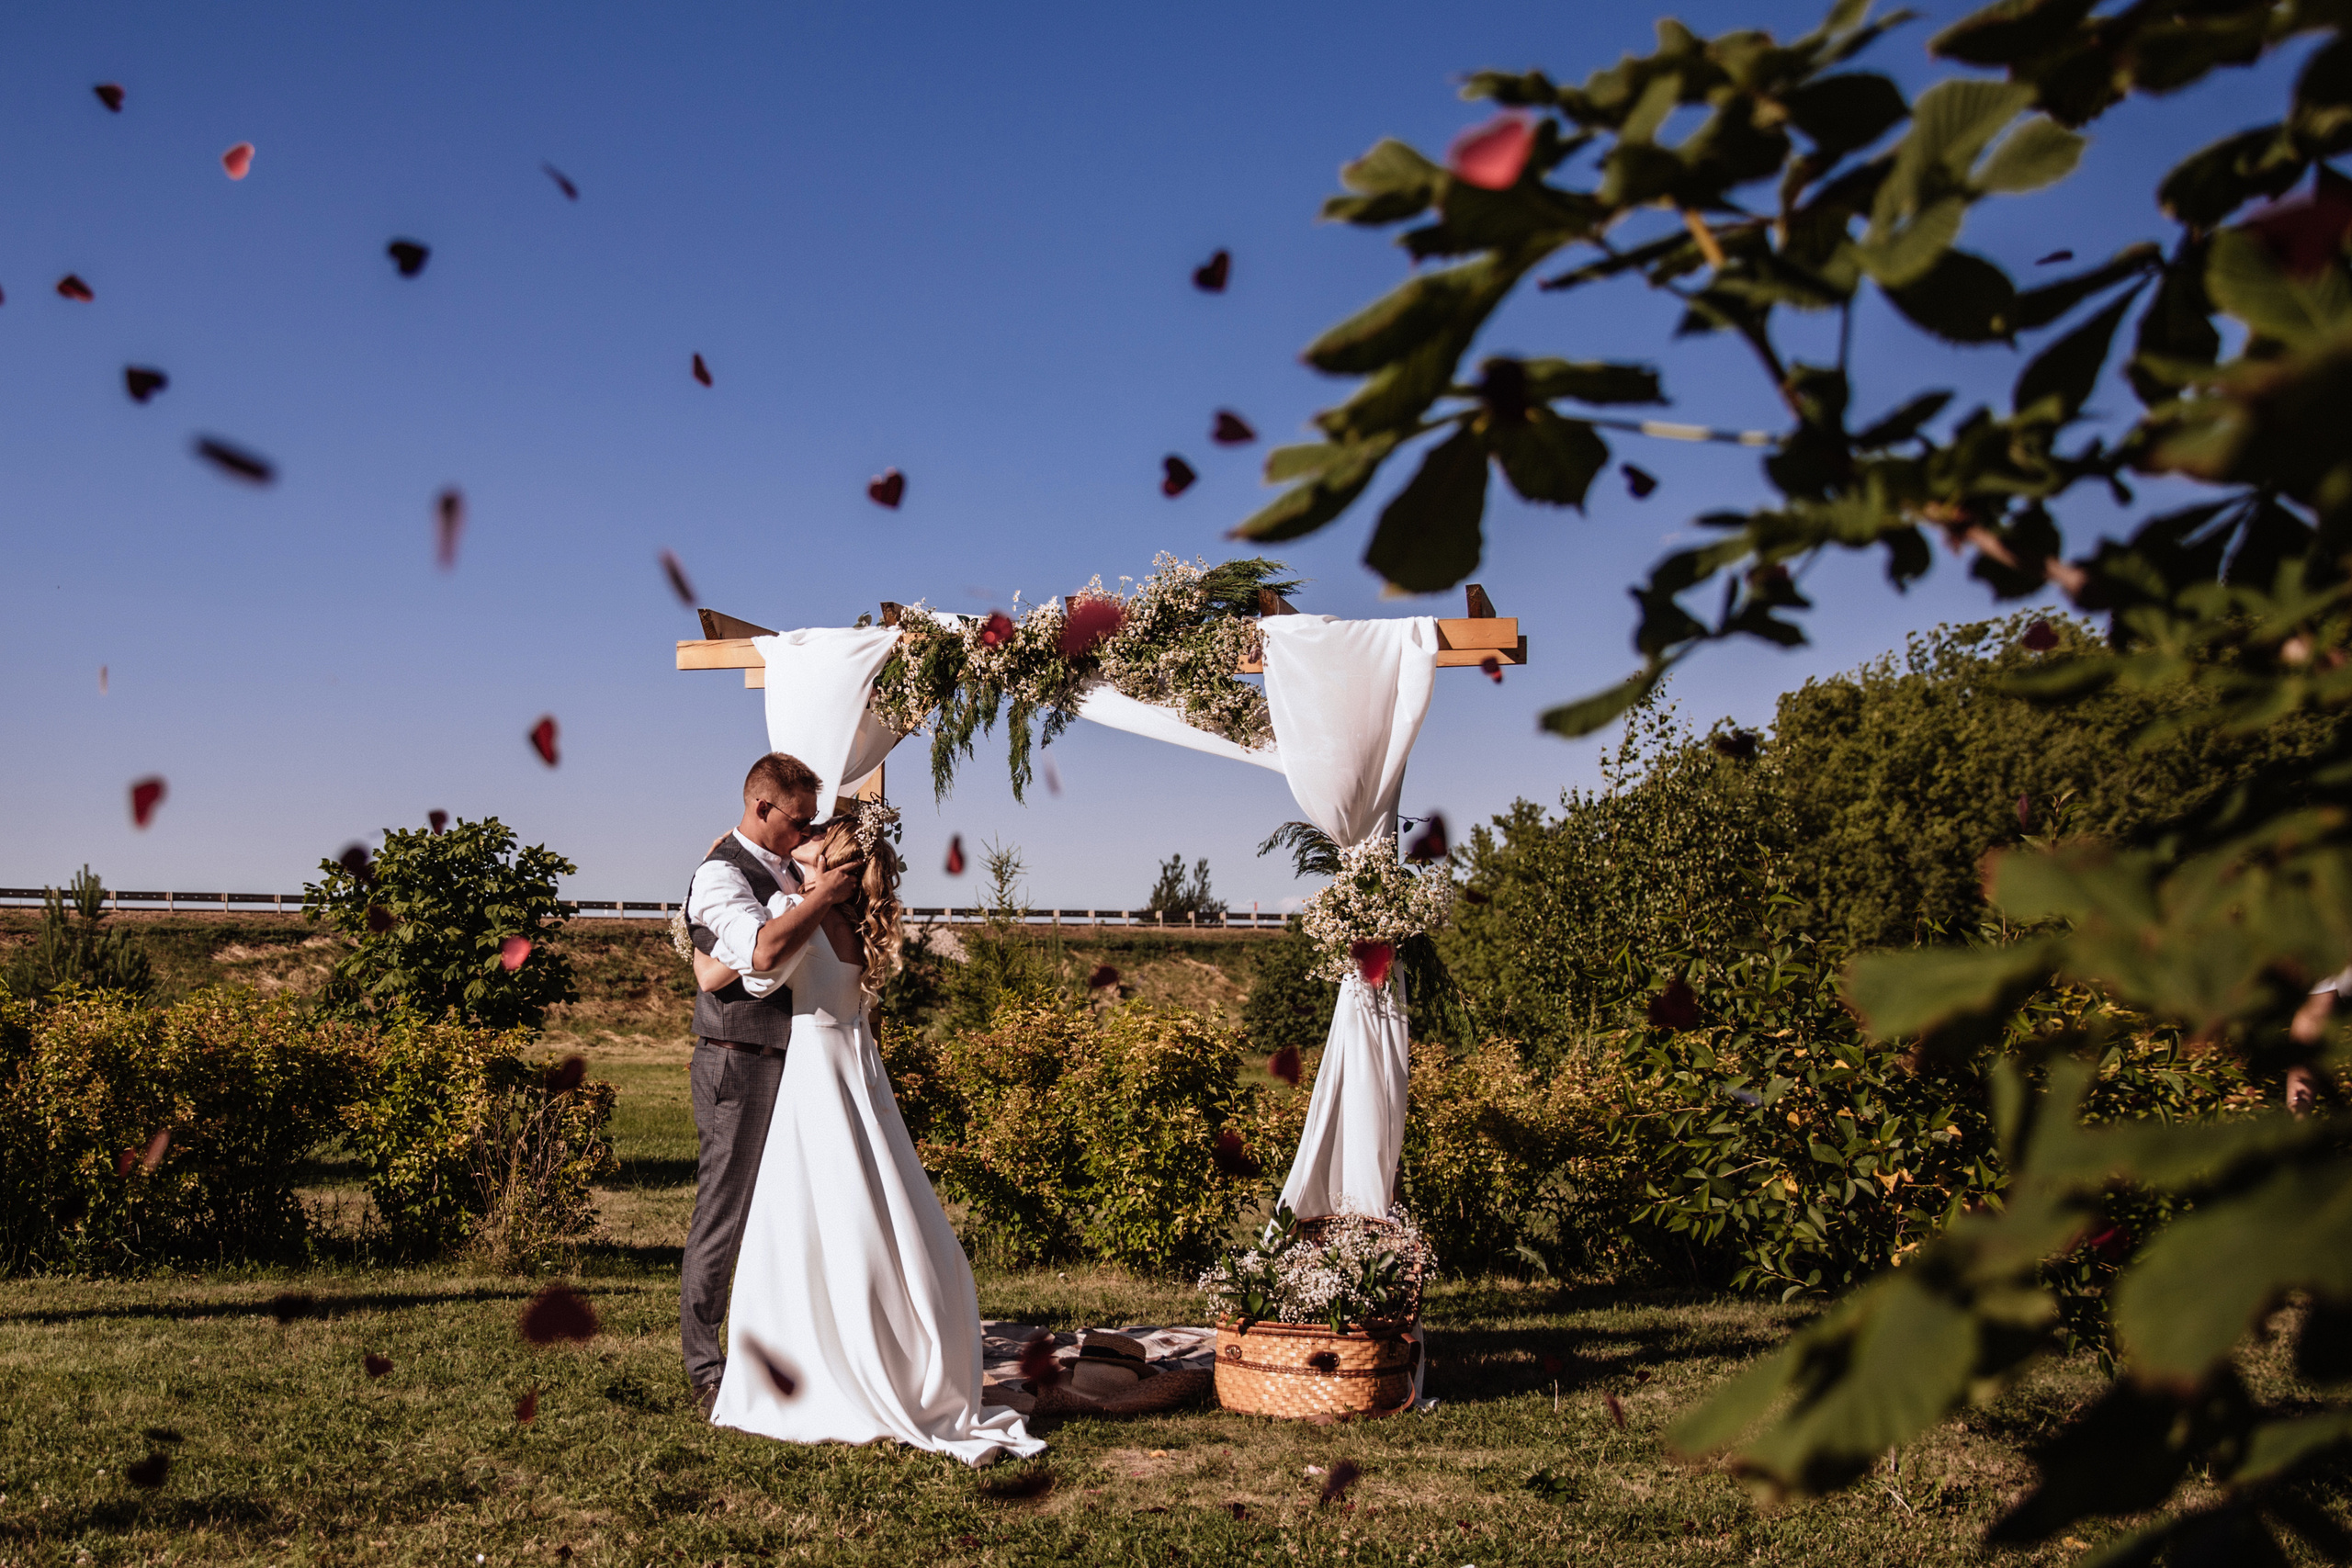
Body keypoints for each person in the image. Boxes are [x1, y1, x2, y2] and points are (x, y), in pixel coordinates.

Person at [701, 805, 1044, 1465]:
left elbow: (746, 971)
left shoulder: (804, 917)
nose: (798, 841)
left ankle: (828, 1355)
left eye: (812, 837)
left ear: (833, 861)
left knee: (819, 1215)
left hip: (816, 1070)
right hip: (857, 1067)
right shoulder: (854, 925)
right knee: (873, 1207)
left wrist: (718, 877)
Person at [679, 752, 866, 1417]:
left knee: (785, 1214)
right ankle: (705, 1367)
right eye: (799, 817)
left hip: (802, 1060)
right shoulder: (721, 873)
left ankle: (788, 1343)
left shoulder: (785, 865)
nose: (806, 828)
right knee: (725, 1215)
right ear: (762, 808)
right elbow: (732, 963)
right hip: (741, 1056)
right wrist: (816, 898)